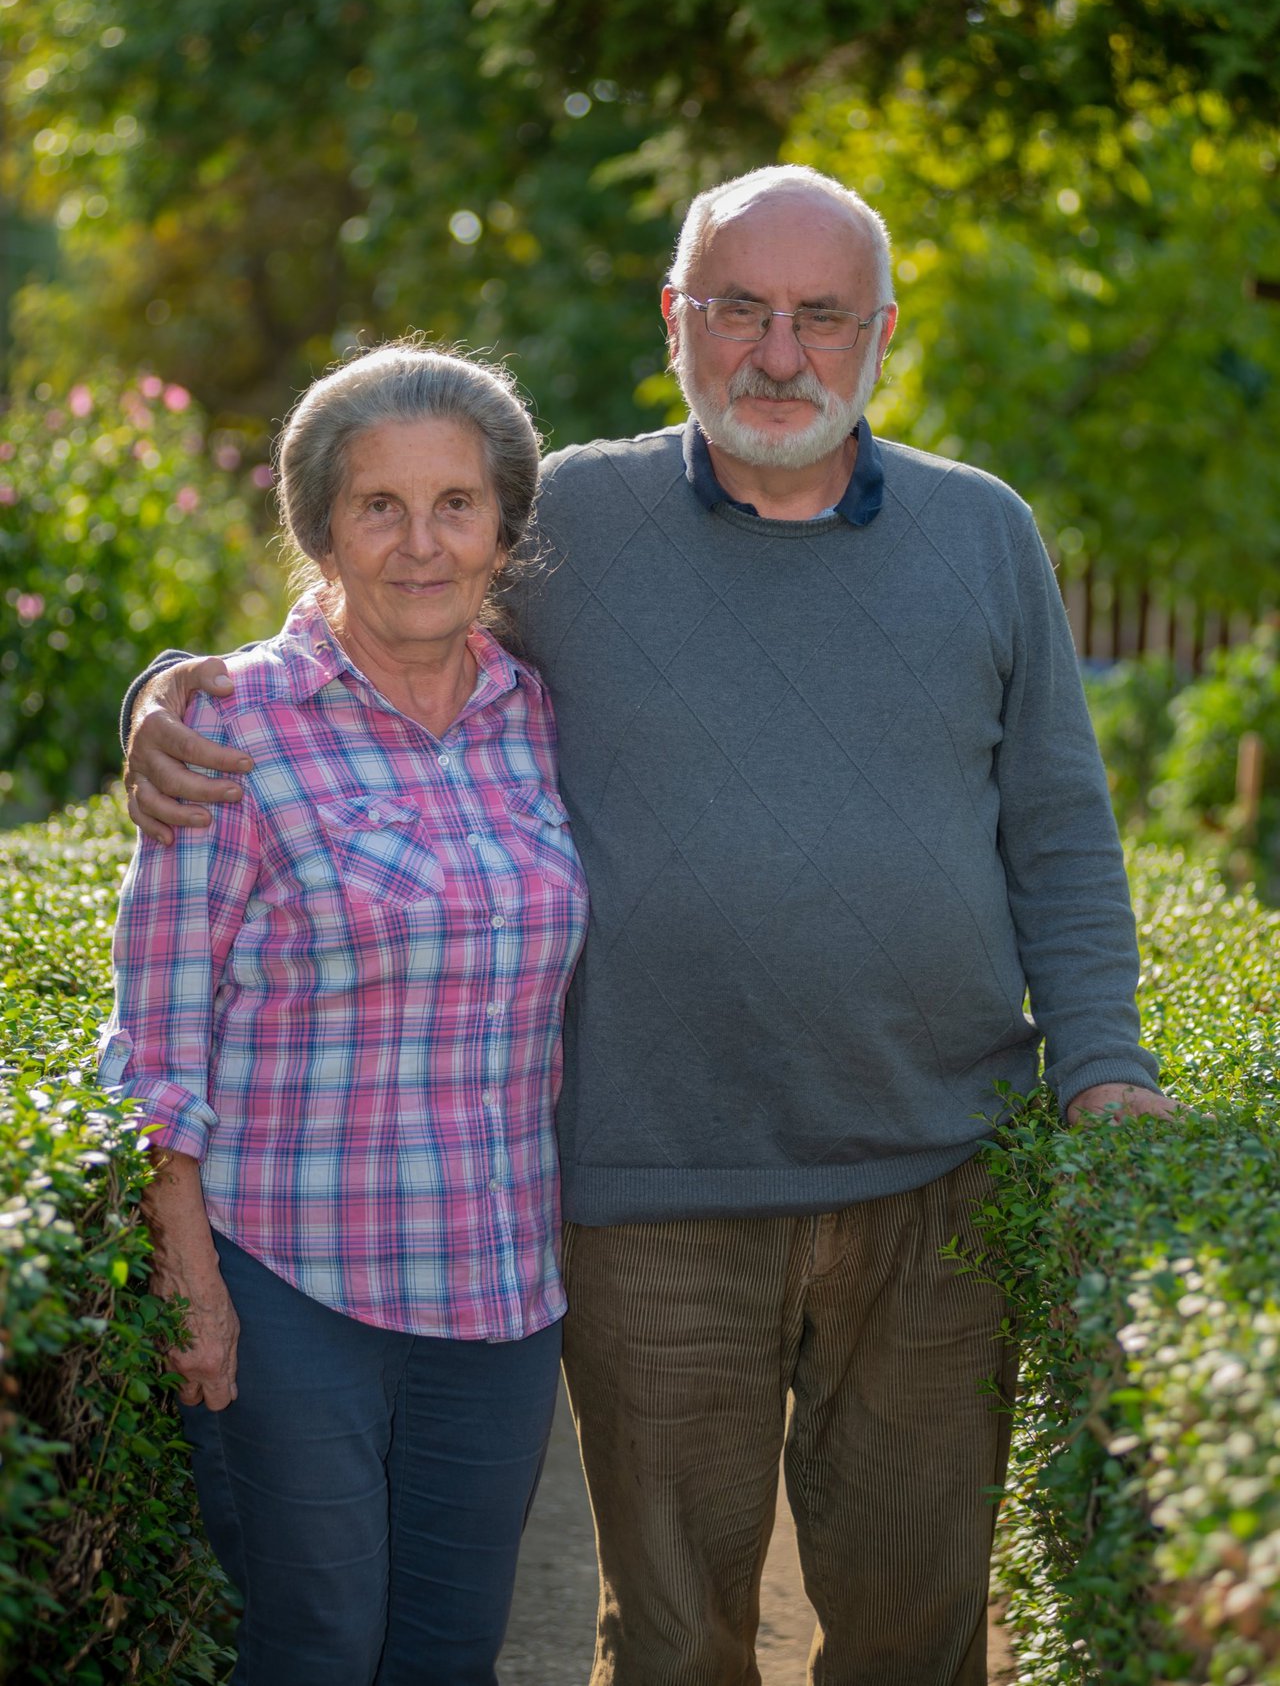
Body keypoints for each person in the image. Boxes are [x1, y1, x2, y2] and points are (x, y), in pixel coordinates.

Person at [122, 166, 1173, 1686]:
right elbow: (363, 620)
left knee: (913, 1626)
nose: (778, 352)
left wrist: (1107, 1061)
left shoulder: (982, 534)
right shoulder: (578, 526)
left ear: (881, 331)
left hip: (935, 1176)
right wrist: (164, 686)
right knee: (678, 1640)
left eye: (821, 315)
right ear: (675, 320)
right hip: (650, 1194)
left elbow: (1062, 830)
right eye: (738, 307)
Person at [99, 344, 588, 1686]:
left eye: (457, 504)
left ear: (503, 529)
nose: (421, 543)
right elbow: (158, 1033)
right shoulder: (228, 728)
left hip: (497, 1289)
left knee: (446, 1652)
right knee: (315, 1642)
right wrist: (190, 1278)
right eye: (381, 504)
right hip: (288, 1274)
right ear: (320, 526)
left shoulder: (543, 716)